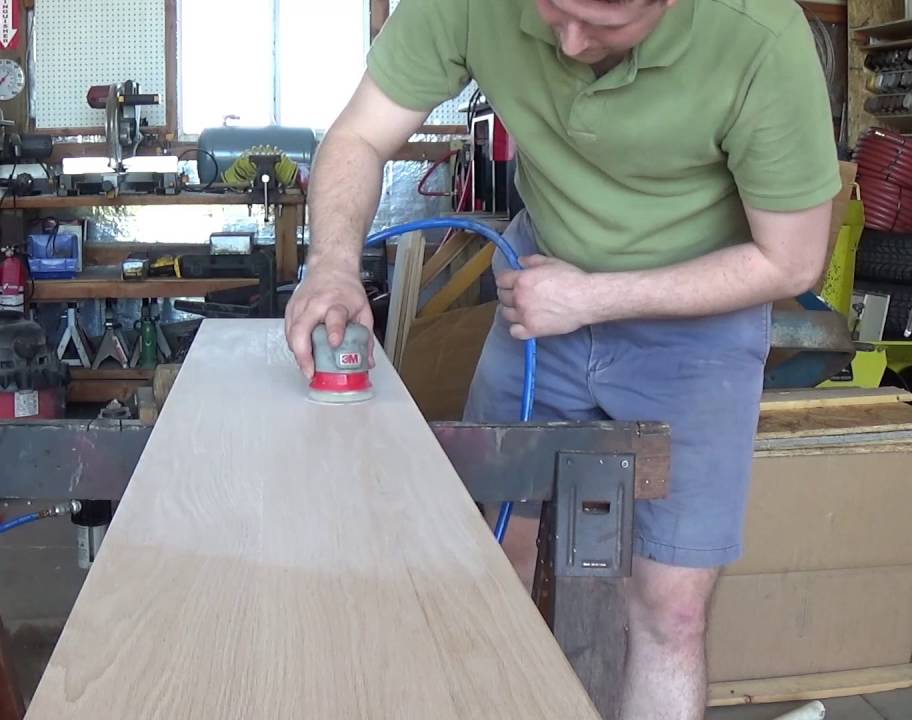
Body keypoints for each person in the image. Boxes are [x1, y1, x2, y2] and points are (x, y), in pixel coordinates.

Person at [283, 0, 841, 717]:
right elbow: (360, 134)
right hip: (541, 291)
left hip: (699, 318)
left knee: (670, 613)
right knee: (488, 561)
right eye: (552, 10)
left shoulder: (761, 36)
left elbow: (792, 261)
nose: (570, 44)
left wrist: (593, 299)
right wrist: (330, 264)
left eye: (603, 25)